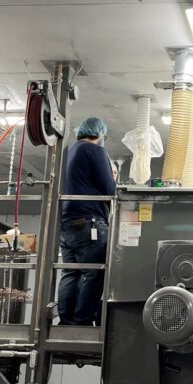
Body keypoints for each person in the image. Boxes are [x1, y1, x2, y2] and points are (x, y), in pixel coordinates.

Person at [57, 117, 117, 325]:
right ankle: (81, 321)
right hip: (89, 221)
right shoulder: (95, 151)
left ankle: (65, 321)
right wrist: (113, 175)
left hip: (66, 222)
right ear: (100, 133)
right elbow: (110, 190)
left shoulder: (69, 151)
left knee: (69, 273)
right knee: (92, 274)